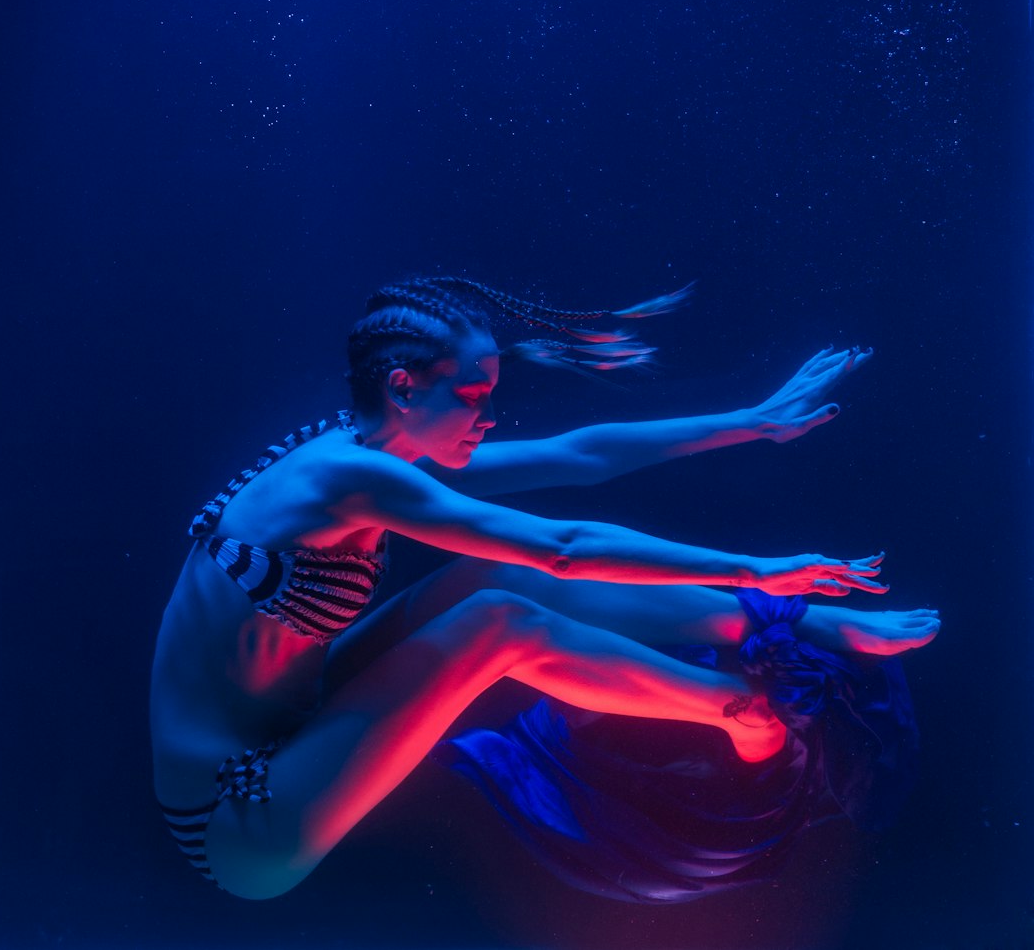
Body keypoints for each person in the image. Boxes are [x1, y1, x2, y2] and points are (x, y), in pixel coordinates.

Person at [150, 277, 921, 903]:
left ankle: (803, 622)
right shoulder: (348, 476)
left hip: (304, 715)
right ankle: (741, 710)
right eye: (475, 396)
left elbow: (577, 454)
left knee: (492, 578)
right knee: (498, 620)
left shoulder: (368, 443)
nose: (489, 416)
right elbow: (564, 548)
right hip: (237, 815)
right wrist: (753, 563)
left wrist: (754, 421)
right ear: (403, 385)